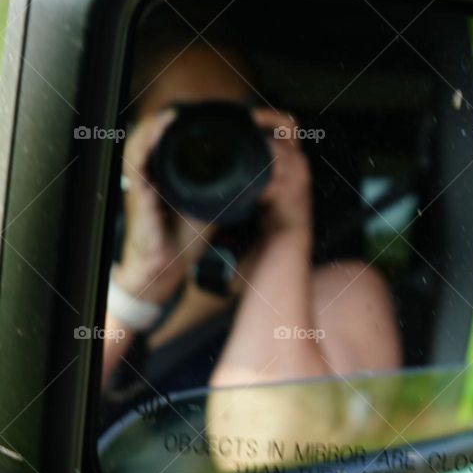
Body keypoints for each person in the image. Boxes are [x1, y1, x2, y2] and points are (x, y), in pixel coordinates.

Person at [101, 41, 402, 395]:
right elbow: (38, 411)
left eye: (230, 123)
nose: (209, 149)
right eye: (182, 125)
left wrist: (287, 230)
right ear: (132, 147)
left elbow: (283, 441)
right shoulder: (82, 277)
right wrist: (138, 289)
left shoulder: (340, 294)